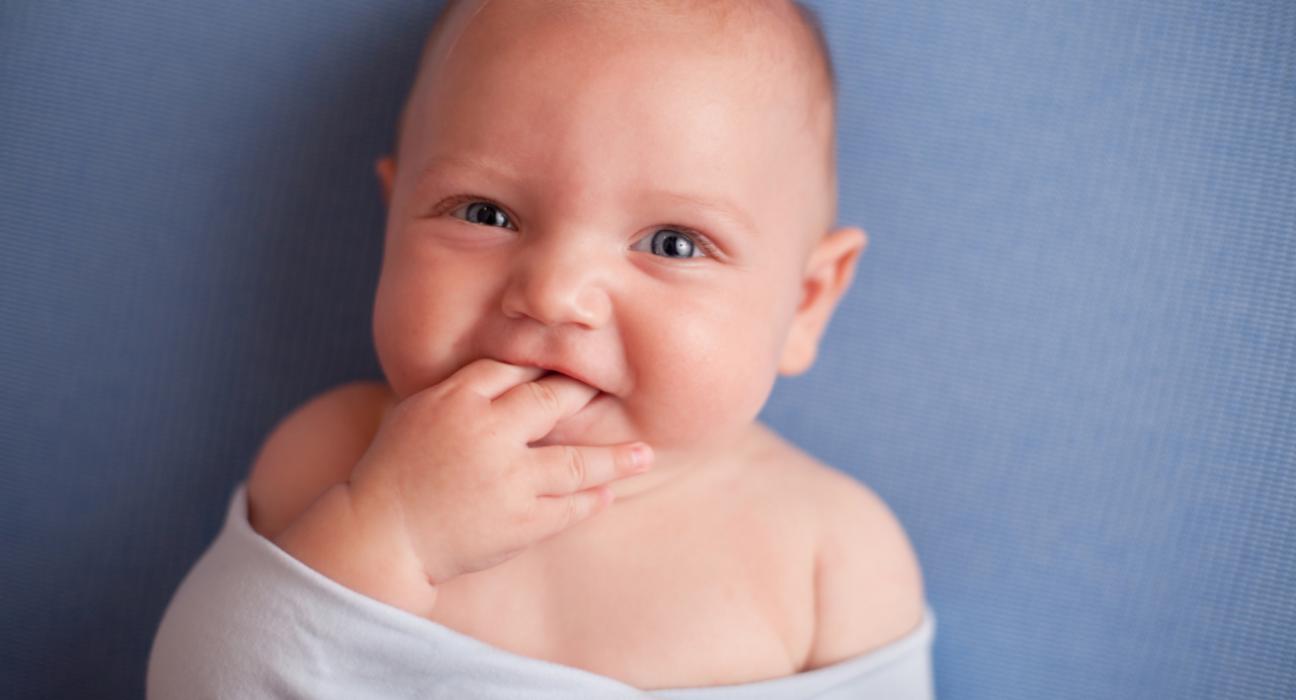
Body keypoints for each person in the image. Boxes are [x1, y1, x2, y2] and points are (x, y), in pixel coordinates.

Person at [148, 1, 935, 696]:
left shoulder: (831, 559)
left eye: (672, 242)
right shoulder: (338, 463)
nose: (556, 293)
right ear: (393, 223)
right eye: (485, 215)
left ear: (805, 303)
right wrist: (389, 535)